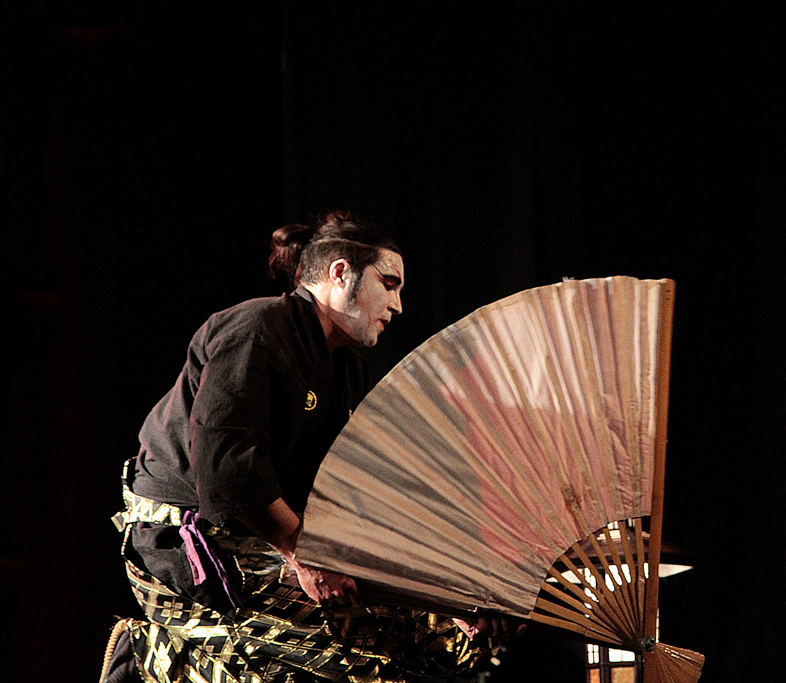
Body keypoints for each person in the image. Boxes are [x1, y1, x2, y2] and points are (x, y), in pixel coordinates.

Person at [101, 211, 502, 683]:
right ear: (339, 273)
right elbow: (229, 471)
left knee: (443, 640)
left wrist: (444, 594)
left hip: (276, 535)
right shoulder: (255, 329)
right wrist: (304, 557)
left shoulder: (347, 366)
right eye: (388, 284)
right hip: (187, 540)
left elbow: (353, 490)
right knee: (345, 670)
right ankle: (155, 655)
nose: (397, 306)